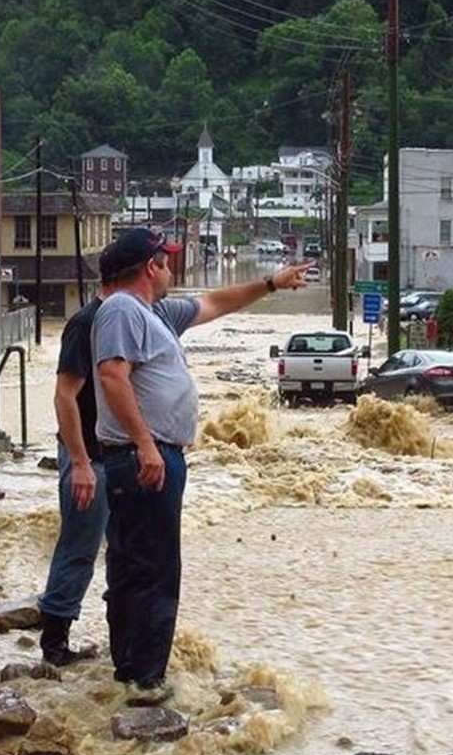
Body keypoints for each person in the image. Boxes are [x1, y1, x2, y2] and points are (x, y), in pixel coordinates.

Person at [92, 228, 307, 705]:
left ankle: (130, 673)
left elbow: (214, 302)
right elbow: (112, 376)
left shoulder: (156, 314)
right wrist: (145, 444)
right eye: (165, 261)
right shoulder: (123, 309)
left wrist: (270, 284)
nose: (171, 268)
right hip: (145, 457)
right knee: (154, 571)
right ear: (150, 267)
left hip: (151, 454)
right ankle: (146, 683)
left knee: (135, 566)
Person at [33, 273, 121, 668]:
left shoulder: (125, 319)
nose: (163, 273)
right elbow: (64, 396)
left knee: (117, 550)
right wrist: (81, 462)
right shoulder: (87, 323)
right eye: (157, 266)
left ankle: (117, 639)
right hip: (89, 458)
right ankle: (54, 644)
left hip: (114, 457)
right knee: (79, 547)